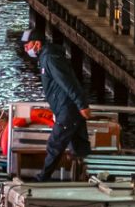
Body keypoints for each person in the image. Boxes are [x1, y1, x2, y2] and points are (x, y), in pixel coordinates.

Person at [21, 32, 90, 180]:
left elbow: (67, 81)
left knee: (55, 144)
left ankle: (42, 179)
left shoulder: (50, 58)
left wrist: (81, 104)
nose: (26, 50)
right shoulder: (47, 57)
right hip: (65, 108)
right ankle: (84, 178)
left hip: (68, 108)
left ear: (37, 44)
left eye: (27, 46)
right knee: (79, 146)